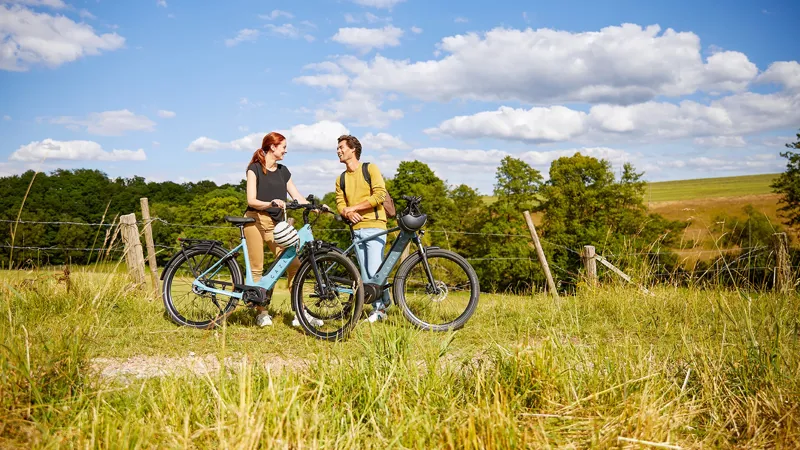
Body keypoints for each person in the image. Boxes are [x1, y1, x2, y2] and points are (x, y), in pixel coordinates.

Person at [244, 131, 323, 328]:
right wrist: (270, 202)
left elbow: (296, 195)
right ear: (273, 147)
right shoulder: (254, 169)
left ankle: (300, 313)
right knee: (257, 268)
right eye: (283, 147)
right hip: (254, 219)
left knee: (294, 264)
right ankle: (261, 313)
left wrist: (315, 207)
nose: (286, 151)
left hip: (277, 225)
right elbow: (251, 200)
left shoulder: (283, 171)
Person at [334, 134, 391, 322]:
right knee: (365, 273)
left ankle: (380, 310)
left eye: (342, 147)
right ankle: (381, 307)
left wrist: (355, 208)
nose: (339, 151)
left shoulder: (370, 168)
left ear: (353, 149)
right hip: (355, 229)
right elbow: (340, 204)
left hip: (375, 226)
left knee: (375, 269)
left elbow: (380, 195)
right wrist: (347, 213)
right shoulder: (340, 178)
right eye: (338, 148)